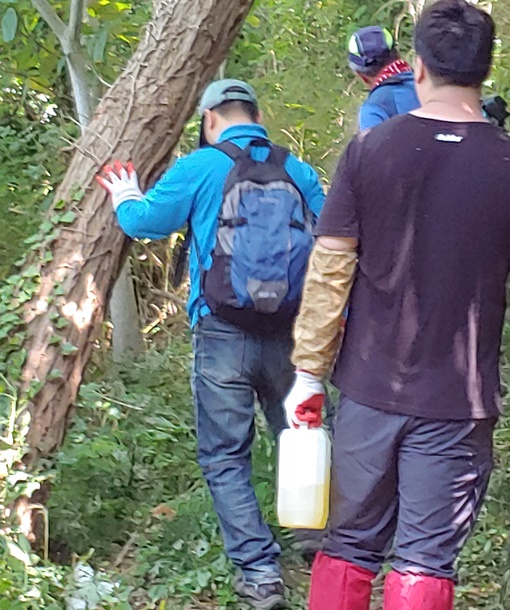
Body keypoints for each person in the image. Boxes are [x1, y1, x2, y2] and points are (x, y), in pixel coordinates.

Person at [284, 2, 510, 608]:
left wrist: (309, 373)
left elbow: (330, 271)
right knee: (425, 561)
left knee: (349, 548)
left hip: (366, 393)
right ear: (485, 71)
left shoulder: (367, 153)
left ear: (416, 67)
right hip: (458, 408)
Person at [96, 79, 326, 610]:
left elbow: (143, 222)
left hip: (222, 334)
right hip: (291, 333)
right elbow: (334, 234)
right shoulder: (298, 170)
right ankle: (321, 546)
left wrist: (125, 192)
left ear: (208, 118)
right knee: (303, 434)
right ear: (256, 115)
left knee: (225, 454)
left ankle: (261, 573)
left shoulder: (200, 167)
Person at [347, 25, 421, 130]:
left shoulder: (373, 110)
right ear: (397, 55)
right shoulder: (433, 82)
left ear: (362, 76)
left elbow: (372, 146)